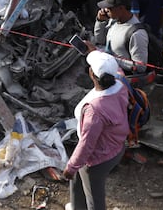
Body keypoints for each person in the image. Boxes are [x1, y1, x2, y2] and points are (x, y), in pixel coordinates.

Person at [62, 51, 129, 210]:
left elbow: (87, 144)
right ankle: (77, 206)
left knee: (94, 198)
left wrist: (71, 167)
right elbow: (117, 70)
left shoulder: (95, 111)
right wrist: (93, 50)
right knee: (78, 181)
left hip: (98, 158)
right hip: (116, 145)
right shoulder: (121, 84)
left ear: (92, 74)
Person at [92, 0, 149, 76]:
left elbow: (140, 67)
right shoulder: (114, 21)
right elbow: (100, 40)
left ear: (121, 8)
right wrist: (100, 22)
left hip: (123, 79)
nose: (105, 10)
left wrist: (110, 58)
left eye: (109, 8)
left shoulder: (137, 34)